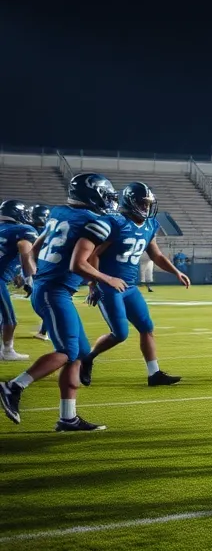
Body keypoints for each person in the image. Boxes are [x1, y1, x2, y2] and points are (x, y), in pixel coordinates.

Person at [0, 173, 124, 431]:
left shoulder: (59, 212)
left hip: (50, 288)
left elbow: (34, 249)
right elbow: (77, 264)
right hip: (54, 291)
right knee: (67, 351)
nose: (110, 202)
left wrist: (34, 276)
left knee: (78, 353)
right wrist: (105, 278)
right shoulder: (95, 221)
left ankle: (68, 418)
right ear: (94, 195)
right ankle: (13, 386)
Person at [79, 183, 189, 387]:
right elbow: (94, 255)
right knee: (120, 334)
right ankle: (87, 358)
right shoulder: (116, 222)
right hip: (109, 285)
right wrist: (94, 284)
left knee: (147, 327)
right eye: (142, 203)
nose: (146, 208)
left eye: (148, 204)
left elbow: (155, 255)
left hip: (130, 287)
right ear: (130, 202)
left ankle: (154, 373)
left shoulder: (150, 225)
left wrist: (176, 272)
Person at [0, 200, 38, 361]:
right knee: (10, 320)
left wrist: (15, 272)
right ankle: (7, 351)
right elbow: (24, 248)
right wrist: (28, 276)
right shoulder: (23, 229)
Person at [27, 205, 51, 341]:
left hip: (41, 270)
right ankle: (44, 331)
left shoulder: (33, 231)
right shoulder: (49, 229)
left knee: (45, 303)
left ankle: (44, 331)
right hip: (43, 269)